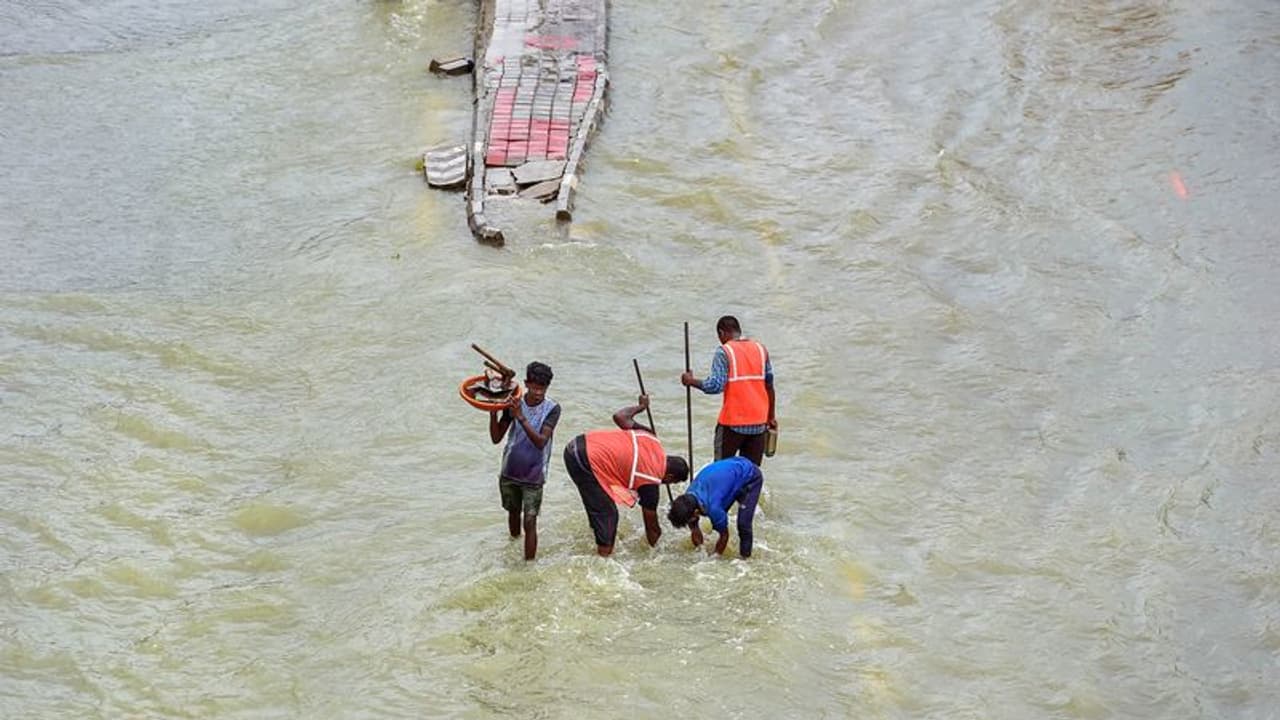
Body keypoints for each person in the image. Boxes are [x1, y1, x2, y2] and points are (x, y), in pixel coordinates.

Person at [562, 395, 689, 557]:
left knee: (600, 505)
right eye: (669, 482)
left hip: (575, 445)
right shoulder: (650, 482)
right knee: (609, 515)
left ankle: (598, 539)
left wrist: (641, 407)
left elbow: (620, 416)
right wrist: (658, 552)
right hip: (586, 460)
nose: (664, 484)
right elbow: (652, 529)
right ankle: (603, 561)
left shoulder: (650, 437)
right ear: (669, 477)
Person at [680, 315, 777, 466]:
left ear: (721, 333)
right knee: (749, 474)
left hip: (733, 424)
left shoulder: (724, 352)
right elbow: (769, 386)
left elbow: (715, 386)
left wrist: (690, 381)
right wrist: (771, 417)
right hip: (759, 423)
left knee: (721, 470)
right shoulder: (760, 349)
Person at [489, 361, 559, 561]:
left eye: (543, 388)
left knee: (530, 520)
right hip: (509, 471)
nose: (538, 392)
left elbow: (541, 442)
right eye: (535, 387)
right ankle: (513, 550)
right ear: (527, 383)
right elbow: (496, 438)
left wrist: (520, 417)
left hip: (534, 475)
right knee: (513, 513)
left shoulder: (552, 409)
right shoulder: (514, 403)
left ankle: (528, 566)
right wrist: (493, 410)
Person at [667, 456, 764, 558]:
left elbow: (724, 536)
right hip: (731, 469)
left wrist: (714, 560)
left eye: (689, 520)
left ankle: (745, 559)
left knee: (743, 524)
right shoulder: (687, 499)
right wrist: (701, 552)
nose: (690, 523)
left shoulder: (714, 508)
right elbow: (694, 529)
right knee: (720, 511)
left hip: (750, 476)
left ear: (695, 512)